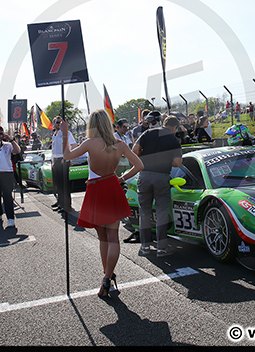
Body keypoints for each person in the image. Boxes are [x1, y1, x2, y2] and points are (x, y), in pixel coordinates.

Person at [58, 110, 143, 298]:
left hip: (95, 189)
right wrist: (121, 178)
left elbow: (67, 155)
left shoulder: (89, 143)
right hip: (112, 185)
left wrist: (65, 132)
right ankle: (107, 276)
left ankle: (107, 275)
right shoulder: (119, 144)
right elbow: (139, 165)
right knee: (113, 237)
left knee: (103, 238)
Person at [132, 113, 182, 258]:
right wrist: (167, 162)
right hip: (162, 177)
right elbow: (177, 163)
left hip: (145, 175)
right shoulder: (173, 139)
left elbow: (135, 150)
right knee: (161, 213)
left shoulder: (148, 132)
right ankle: (161, 248)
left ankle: (145, 246)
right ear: (174, 127)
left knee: (144, 212)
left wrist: (145, 160)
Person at [50, 116, 77, 213]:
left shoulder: (67, 133)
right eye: (57, 122)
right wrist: (53, 161)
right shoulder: (55, 134)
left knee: (64, 184)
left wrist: (67, 158)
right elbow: (54, 150)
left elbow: (74, 146)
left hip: (63, 159)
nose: (59, 124)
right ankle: (60, 202)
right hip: (56, 160)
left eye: (61, 122)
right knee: (58, 183)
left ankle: (66, 205)